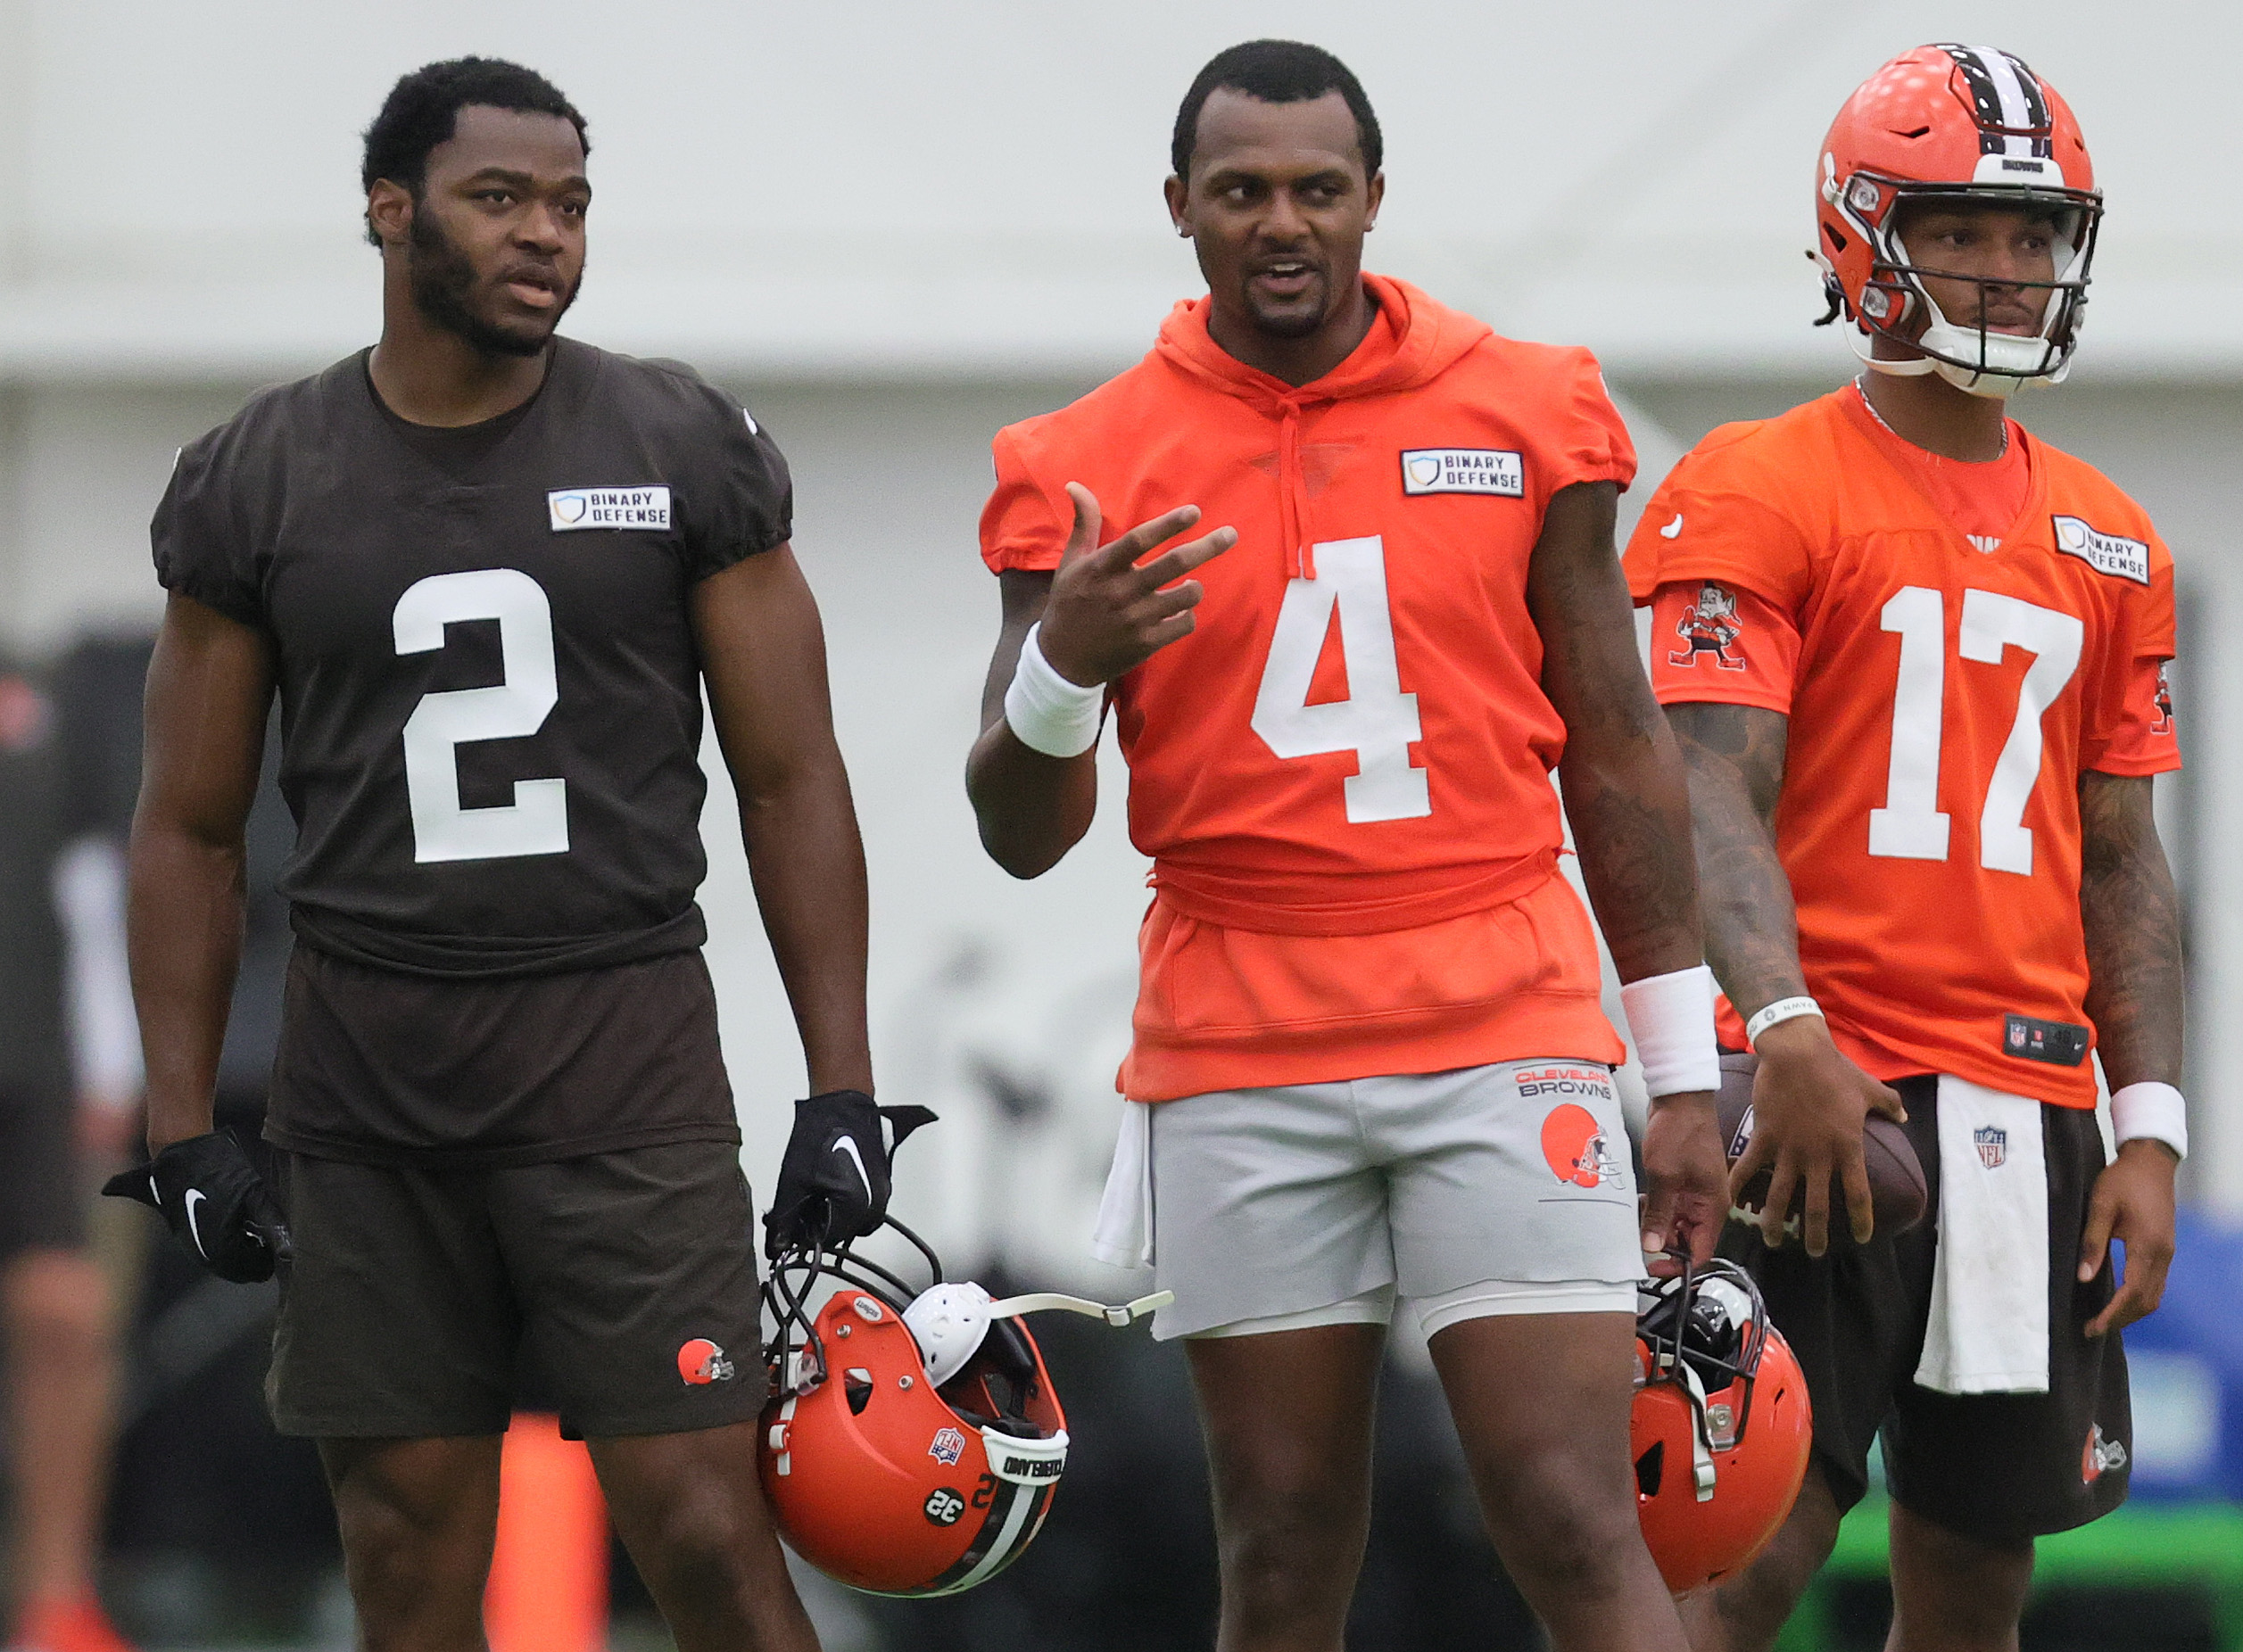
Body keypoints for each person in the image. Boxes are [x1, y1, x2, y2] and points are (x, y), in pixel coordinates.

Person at [112, 57, 896, 1652]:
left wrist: (841, 1083)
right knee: (403, 1558)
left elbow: (792, 772)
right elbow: (186, 827)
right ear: (389, 213)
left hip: (618, 1064)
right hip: (368, 1084)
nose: (546, 235)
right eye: (500, 199)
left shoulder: (676, 439)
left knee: (700, 1528)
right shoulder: (258, 475)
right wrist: (185, 1126)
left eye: (570, 203)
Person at [966, 39, 1729, 1652]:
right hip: (1239, 1039)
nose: (1280, 222)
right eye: (1238, 191)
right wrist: (1061, 668)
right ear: (1176, 206)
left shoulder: (1526, 408)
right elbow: (1018, 835)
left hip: (1497, 1015)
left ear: (1373, 198)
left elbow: (1615, 747)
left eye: (1317, 188)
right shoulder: (1081, 462)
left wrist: (1678, 1065)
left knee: (1566, 1506)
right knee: (1284, 1538)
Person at [1622, 45, 2186, 1652]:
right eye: (1962, 230)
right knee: (1734, 1557)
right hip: (1819, 1091)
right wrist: (1781, 1027)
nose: (2005, 270)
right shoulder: (1755, 483)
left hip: (2026, 1110)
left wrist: (2144, 1121)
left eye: (2030, 236)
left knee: (1971, 1581)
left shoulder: (2106, 534)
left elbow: (2118, 854)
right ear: (1865, 233)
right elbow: (1698, 792)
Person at [0, 659, 136, 1652]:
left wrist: (110, 1058)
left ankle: (54, 1601)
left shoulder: (41, 701)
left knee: (63, 1311)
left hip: (28, 1071)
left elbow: (90, 883)